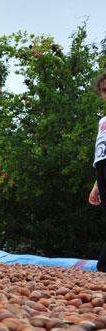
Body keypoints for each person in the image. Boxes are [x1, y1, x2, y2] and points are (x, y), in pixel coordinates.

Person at [87, 69, 106, 271]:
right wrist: (96, 184)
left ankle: (103, 266)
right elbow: (100, 154)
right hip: (102, 169)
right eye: (104, 90)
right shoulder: (102, 121)